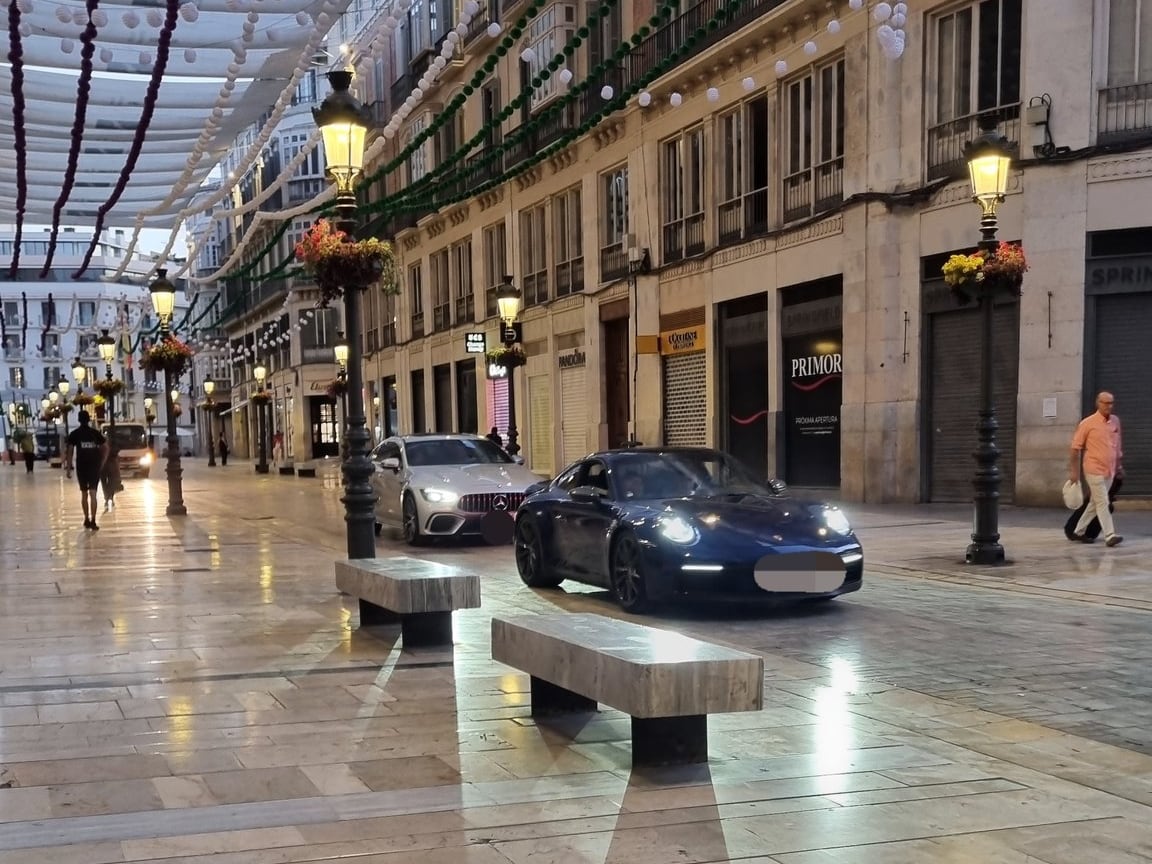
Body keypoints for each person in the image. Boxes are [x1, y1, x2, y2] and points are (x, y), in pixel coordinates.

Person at [1068, 391, 1124, 547]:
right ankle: (1110, 535)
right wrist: (1074, 472)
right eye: (1105, 403)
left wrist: (1119, 466)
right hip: (1093, 468)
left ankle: (1078, 531)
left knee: (1095, 502)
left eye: (1111, 403)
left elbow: (1117, 445)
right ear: (1098, 403)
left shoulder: (1115, 422)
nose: (1108, 406)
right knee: (1103, 502)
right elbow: (1075, 448)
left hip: (1110, 470)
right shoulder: (1087, 423)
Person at [65, 410, 109, 531]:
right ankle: (94, 520)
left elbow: (69, 452)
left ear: (79, 420)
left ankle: (86, 519)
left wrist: (68, 468)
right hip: (94, 466)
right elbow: (106, 447)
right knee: (93, 493)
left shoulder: (75, 434)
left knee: (84, 493)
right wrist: (102, 462)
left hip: (82, 467)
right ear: (89, 419)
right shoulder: (95, 433)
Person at [101, 435, 123, 512]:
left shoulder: (101, 447)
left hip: (103, 467)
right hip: (111, 467)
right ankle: (110, 498)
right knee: (111, 483)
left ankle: (107, 498)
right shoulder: (112, 447)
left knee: (105, 483)